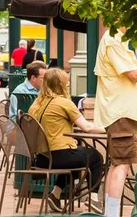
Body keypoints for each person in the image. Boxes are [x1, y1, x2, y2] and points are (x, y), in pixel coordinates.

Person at [27, 68, 104, 213]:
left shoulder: (36, 104)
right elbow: (87, 127)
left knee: (75, 154)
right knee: (95, 157)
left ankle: (55, 195)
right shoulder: (63, 103)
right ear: (61, 85)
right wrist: (109, 129)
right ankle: (93, 199)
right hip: (58, 157)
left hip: (41, 158)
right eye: (66, 82)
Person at [94, 26, 137, 217]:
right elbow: (133, 74)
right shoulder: (114, 40)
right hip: (122, 113)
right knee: (123, 163)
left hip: (122, 112)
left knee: (118, 162)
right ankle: (111, 214)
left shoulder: (118, 38)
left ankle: (109, 214)